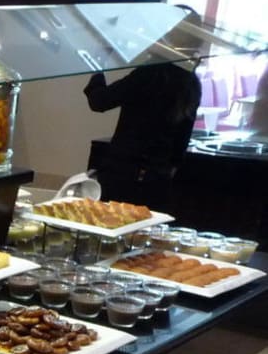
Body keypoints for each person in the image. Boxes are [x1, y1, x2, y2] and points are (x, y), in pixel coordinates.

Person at [83, 19, 202, 212]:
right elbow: (181, 142)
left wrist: (98, 66)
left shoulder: (150, 74)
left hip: (125, 174)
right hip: (158, 179)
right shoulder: (192, 82)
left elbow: (99, 101)